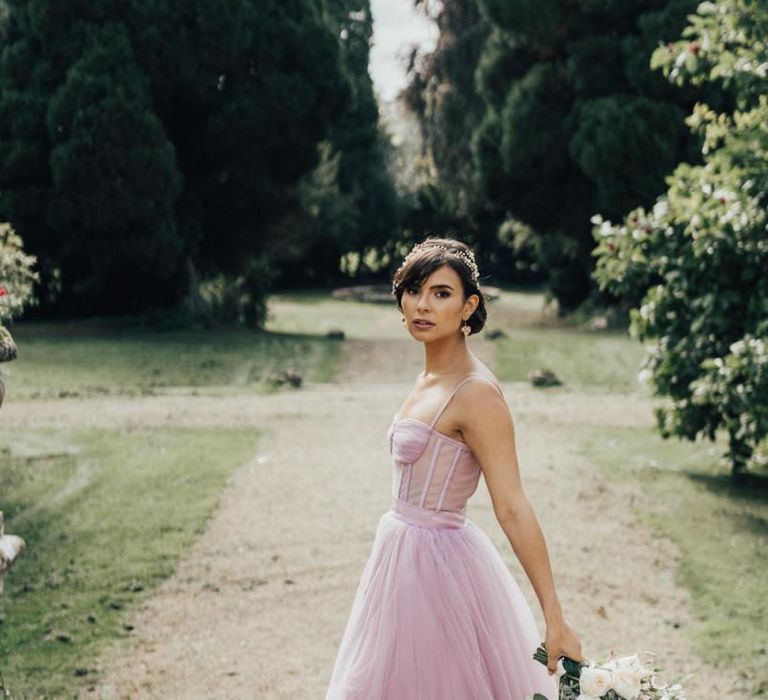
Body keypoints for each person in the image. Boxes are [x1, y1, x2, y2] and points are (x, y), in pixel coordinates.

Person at [325, 237, 585, 699]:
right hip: (397, 554)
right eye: (414, 290)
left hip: (437, 568)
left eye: (441, 293)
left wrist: (554, 614)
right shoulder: (429, 374)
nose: (423, 305)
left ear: (469, 306)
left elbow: (512, 506)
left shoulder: (477, 393)